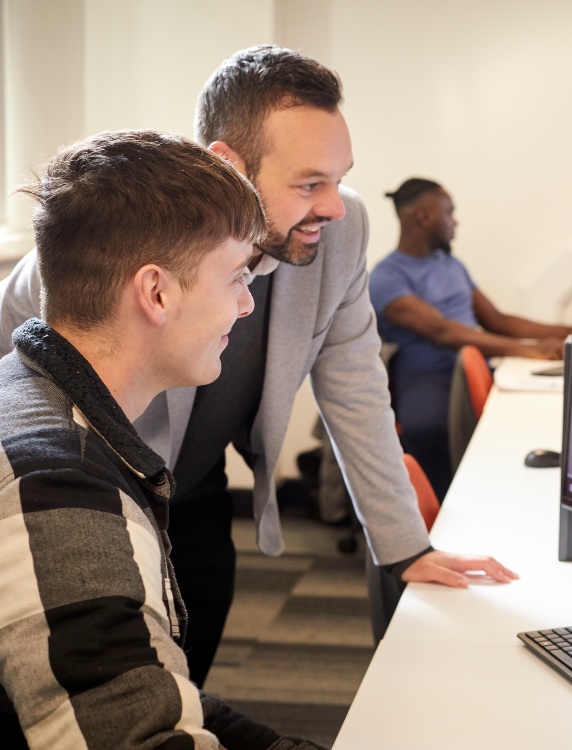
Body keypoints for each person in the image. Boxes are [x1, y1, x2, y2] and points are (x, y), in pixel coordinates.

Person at [0, 45, 516, 684]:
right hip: (88, 486)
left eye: (337, 176)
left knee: (197, 642)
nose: (333, 203)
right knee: (102, 672)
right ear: (228, 166)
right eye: (308, 183)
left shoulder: (339, 228)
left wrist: (405, 545)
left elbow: (355, 381)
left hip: (195, 479)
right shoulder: (125, 237)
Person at [0, 129, 325, 748]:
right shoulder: (60, 489)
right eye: (235, 277)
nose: (246, 306)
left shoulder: (34, 394)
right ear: (156, 292)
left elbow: (149, 684)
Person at [369, 178, 572, 498]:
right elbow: (443, 332)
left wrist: (570, 331)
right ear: (424, 217)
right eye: (449, 213)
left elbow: (497, 320)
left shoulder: (451, 265)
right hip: (428, 381)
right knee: (432, 433)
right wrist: (527, 351)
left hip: (473, 369)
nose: (455, 222)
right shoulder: (386, 277)